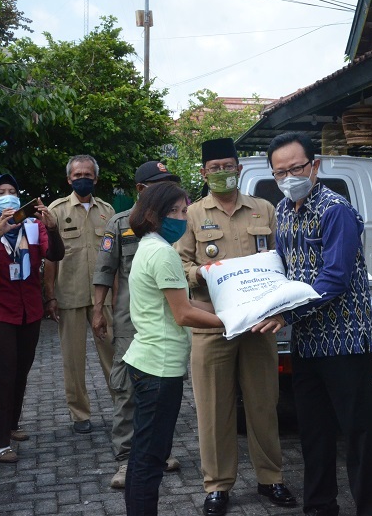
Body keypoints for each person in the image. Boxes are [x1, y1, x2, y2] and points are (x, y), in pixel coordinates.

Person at [253, 132, 372, 516]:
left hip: (344, 341)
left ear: (315, 165)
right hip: (308, 343)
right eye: (280, 172)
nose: (289, 177)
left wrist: (284, 314)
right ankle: (319, 506)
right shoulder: (281, 210)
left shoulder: (336, 210)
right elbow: (279, 270)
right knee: (314, 435)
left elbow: (335, 277)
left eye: (296, 167)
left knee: (359, 434)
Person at [175, 138, 296, 516]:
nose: (223, 172)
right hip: (212, 325)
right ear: (204, 172)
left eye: (229, 165)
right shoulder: (191, 215)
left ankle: (270, 478)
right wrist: (203, 273)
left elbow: (284, 260)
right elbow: (178, 267)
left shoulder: (265, 209)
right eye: (215, 167)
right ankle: (217, 485)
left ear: (240, 168)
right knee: (213, 409)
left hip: (259, 325)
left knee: (263, 404)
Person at [124, 181, 223, 516]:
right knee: (151, 458)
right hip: (159, 368)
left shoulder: (149, 246)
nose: (183, 218)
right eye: (176, 212)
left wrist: (226, 310)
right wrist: (230, 323)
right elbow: (183, 314)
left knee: (144, 453)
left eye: (184, 210)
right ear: (154, 213)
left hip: (148, 361)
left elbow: (183, 303)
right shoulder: (163, 253)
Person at [92, 160, 182, 488]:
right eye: (158, 184)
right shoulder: (121, 223)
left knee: (165, 388)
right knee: (126, 388)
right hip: (131, 321)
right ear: (141, 190)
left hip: (173, 319)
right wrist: (98, 310)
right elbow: (105, 269)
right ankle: (125, 458)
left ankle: (159, 451)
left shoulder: (179, 220)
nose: (165, 189)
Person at [0, 173, 64, 463]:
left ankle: (12, 424)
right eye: (1, 192)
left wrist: (53, 228)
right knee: (1, 374)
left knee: (21, 370)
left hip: (28, 309)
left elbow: (55, 255)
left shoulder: (32, 227)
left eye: (13, 191)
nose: (8, 195)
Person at [44, 155, 116, 434]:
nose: (82, 179)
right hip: (69, 294)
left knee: (113, 354)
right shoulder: (56, 210)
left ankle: (122, 408)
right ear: (69, 179)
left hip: (103, 296)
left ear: (96, 178)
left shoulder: (107, 211)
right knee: (73, 360)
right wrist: (49, 295)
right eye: (77, 175)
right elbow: (50, 257)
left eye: (87, 174)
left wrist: (118, 296)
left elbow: (115, 256)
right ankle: (79, 414)